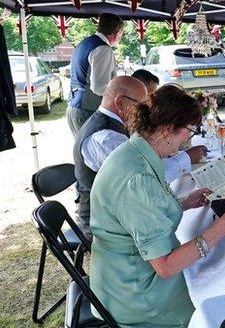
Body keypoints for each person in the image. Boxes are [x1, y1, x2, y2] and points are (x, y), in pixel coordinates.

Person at [89, 85, 225, 328]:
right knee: (221, 311)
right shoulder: (138, 178)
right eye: (188, 132)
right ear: (169, 129)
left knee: (220, 278)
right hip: (134, 289)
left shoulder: (136, 151)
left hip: (126, 272)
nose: (186, 141)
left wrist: (183, 202)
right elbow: (166, 267)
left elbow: (138, 215)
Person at [73, 76, 206, 232]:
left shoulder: (115, 126)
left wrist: (184, 202)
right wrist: (185, 158)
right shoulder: (105, 138)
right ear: (120, 102)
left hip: (125, 216)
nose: (146, 112)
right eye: (142, 105)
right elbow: (148, 178)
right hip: (103, 226)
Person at [67, 12, 124, 135]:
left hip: (74, 105)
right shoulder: (103, 49)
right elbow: (99, 87)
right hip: (88, 109)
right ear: (117, 32)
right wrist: (122, 96)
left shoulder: (83, 44)